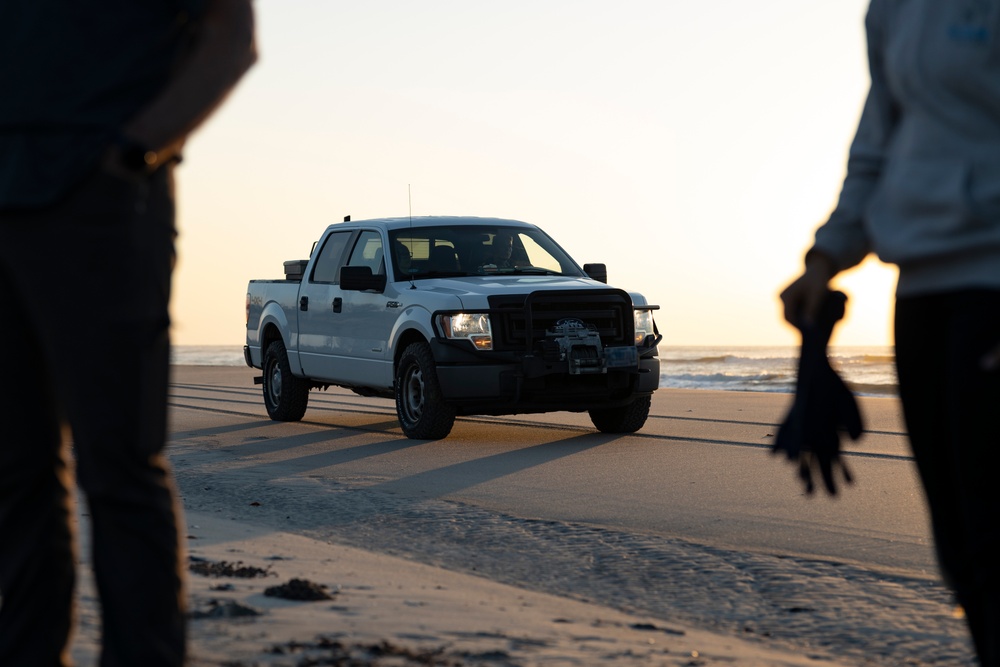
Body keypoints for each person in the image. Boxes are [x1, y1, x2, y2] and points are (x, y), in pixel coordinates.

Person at [0, 2, 256, 665]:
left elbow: (231, 38)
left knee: (117, 464)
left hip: (98, 202)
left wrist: (134, 150)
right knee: (18, 473)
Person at [780, 2, 1000, 664]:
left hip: (994, 281)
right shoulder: (895, 9)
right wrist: (826, 256)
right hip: (921, 285)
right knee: (960, 539)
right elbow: (879, 140)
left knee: (995, 531)